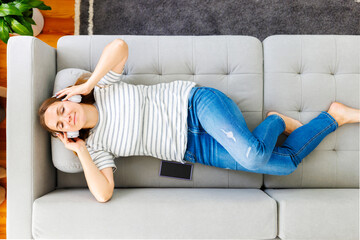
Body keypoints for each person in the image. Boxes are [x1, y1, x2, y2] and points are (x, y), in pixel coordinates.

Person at [38, 39, 360, 203]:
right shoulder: (96, 147)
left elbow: (119, 47)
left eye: (62, 110)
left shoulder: (103, 87)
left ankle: (276, 123)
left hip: (196, 106)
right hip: (194, 151)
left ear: (69, 100)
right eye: (61, 126)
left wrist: (87, 84)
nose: (67, 119)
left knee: (252, 154)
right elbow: (103, 193)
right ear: (68, 133)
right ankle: (331, 116)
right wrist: (80, 150)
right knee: (287, 164)